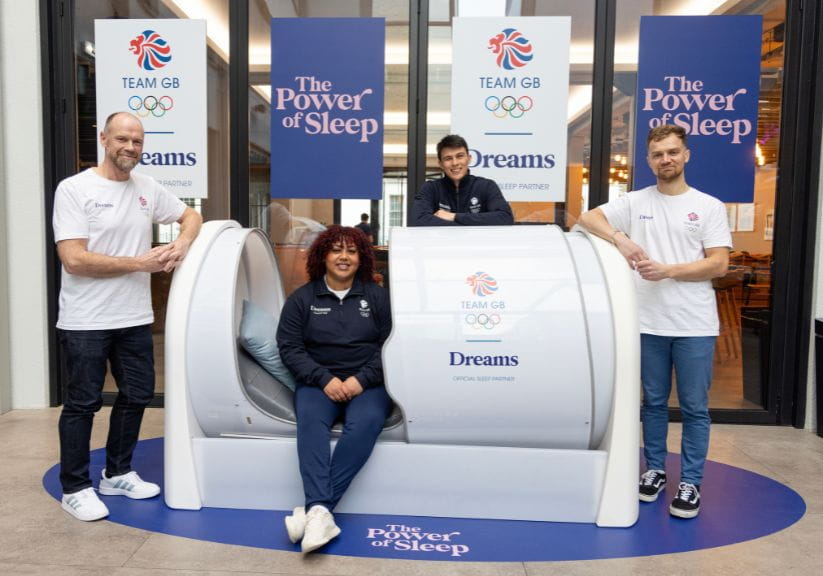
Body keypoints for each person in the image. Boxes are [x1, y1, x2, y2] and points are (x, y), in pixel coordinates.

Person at [53, 111, 202, 521]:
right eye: (122, 139)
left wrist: (183, 243)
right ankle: (76, 487)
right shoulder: (75, 189)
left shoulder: (147, 188)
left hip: (133, 317)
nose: (130, 148)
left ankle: (116, 473)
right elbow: (74, 259)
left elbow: (191, 216)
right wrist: (139, 263)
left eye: (137, 141)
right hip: (85, 320)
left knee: (137, 395)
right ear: (104, 139)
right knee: (83, 403)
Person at [577, 125, 731, 519]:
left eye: (673, 152)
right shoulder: (635, 201)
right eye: (659, 154)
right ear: (649, 161)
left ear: (686, 155)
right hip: (645, 322)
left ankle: (691, 482)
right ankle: (656, 471)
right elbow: (586, 217)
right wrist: (621, 239)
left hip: (694, 323)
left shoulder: (709, 206)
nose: (666, 159)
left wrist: (669, 271)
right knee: (653, 403)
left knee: (695, 407)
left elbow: (718, 262)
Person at [276, 225, 392, 553]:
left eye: (352, 251)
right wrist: (324, 378)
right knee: (311, 426)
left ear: (361, 259)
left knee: (365, 425)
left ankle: (316, 509)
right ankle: (320, 512)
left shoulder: (377, 297)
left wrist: (361, 379)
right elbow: (289, 347)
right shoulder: (302, 299)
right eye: (337, 250)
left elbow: (391, 345)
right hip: (317, 383)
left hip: (367, 383)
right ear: (323, 255)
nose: (344, 257)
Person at [411, 134, 514, 226]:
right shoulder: (430, 188)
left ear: (468, 159)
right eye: (448, 158)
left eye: (460, 156)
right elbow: (418, 219)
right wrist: (473, 223)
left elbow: (505, 218)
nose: (455, 163)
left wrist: (455, 217)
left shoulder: (486, 186)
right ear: (441, 164)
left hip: (478, 246)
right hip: (442, 246)